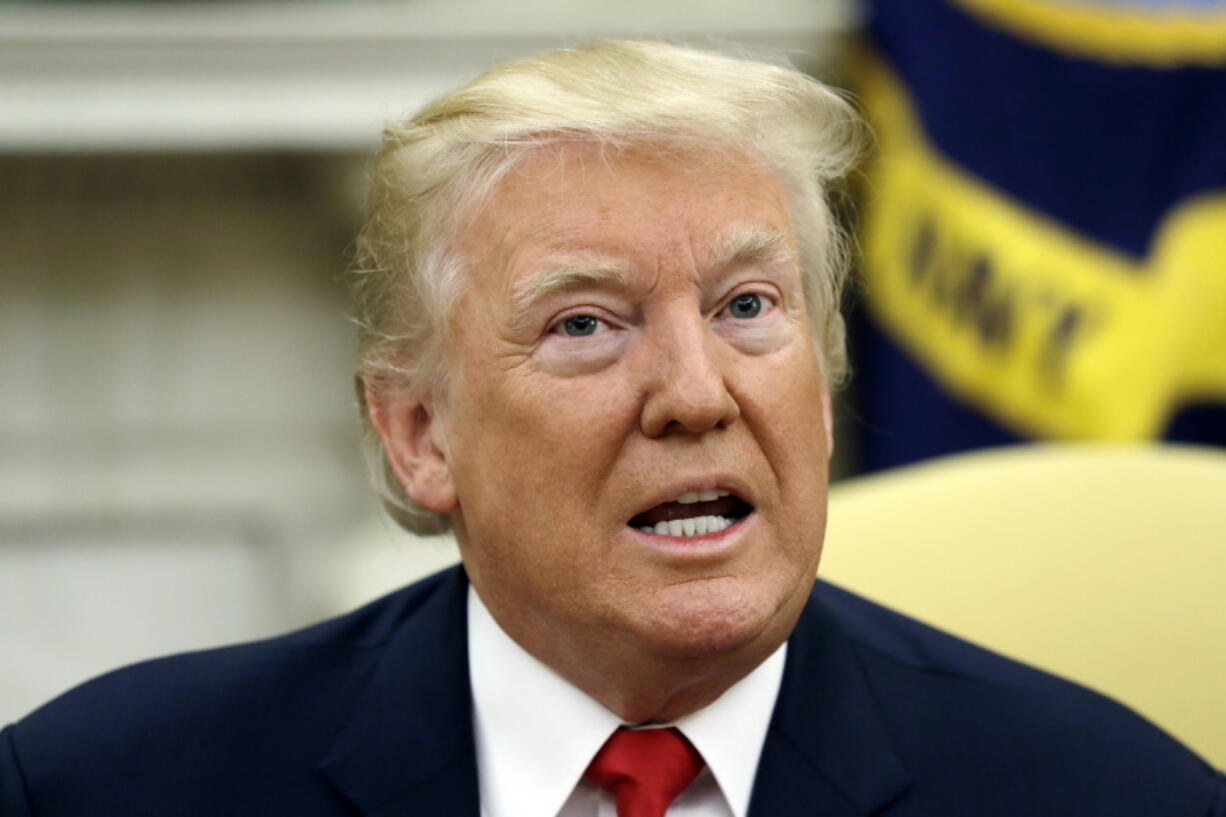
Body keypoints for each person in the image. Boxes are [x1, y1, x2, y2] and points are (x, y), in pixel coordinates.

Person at [2, 40, 1222, 817]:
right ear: (420, 433)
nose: (695, 393)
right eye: (588, 324)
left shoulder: (1114, 795)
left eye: (747, 306)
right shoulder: (101, 787)